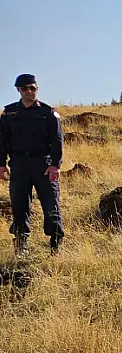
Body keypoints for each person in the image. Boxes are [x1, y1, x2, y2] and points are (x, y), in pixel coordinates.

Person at [0, 73, 64, 256]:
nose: (29, 91)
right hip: (19, 165)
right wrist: (1, 164)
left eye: (33, 88)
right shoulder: (9, 113)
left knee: (51, 203)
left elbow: (57, 140)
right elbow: (2, 140)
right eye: (25, 88)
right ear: (18, 90)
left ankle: (55, 243)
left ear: (37, 89)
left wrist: (55, 165)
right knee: (19, 205)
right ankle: (21, 244)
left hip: (43, 164)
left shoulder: (48, 113)